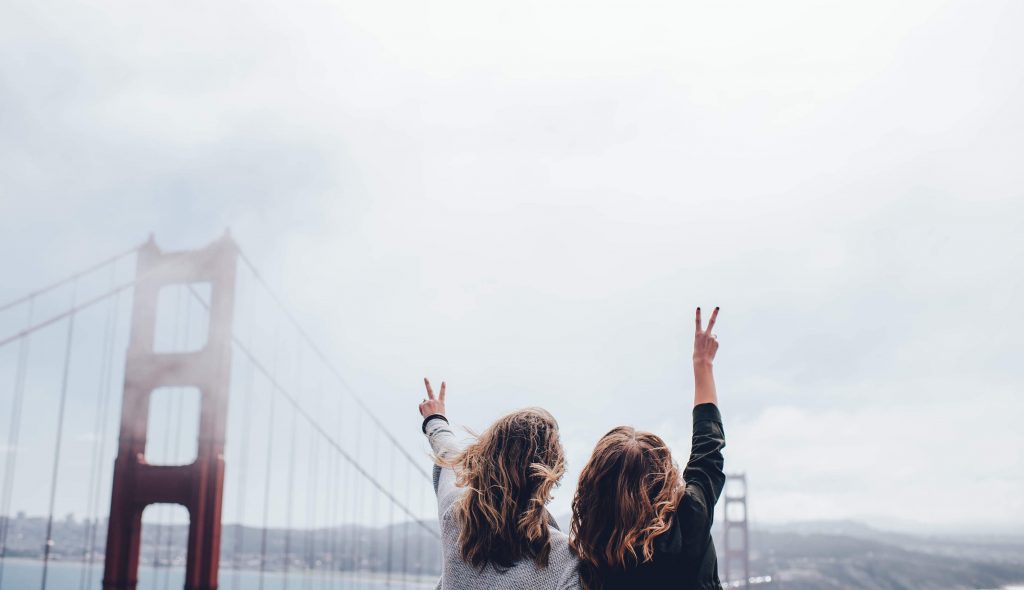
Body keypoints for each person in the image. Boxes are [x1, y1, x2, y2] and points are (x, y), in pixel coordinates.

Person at [569, 306, 726, 590]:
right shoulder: (690, 518)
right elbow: (708, 451)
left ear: (594, 489)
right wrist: (703, 363)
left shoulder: (591, 552)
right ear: (662, 476)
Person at [417, 378, 581, 590]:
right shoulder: (567, 561)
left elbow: (449, 452)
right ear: (551, 473)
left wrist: (435, 418)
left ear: (485, 457)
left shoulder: (455, 513)